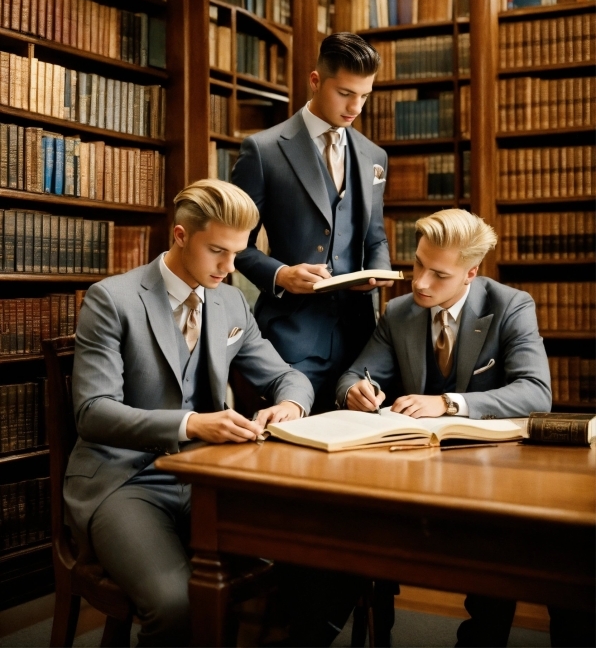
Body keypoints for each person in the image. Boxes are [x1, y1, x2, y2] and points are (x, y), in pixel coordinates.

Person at [63, 179, 314, 647]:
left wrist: (289, 405)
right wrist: (192, 423)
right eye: (218, 250)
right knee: (177, 604)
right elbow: (94, 413)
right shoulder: (112, 299)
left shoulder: (231, 300)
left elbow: (288, 376)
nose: (230, 267)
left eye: (238, 253)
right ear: (180, 235)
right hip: (124, 481)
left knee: (311, 565)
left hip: (210, 478)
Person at [336, 208, 552, 648]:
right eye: (417, 263)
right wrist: (355, 390)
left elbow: (535, 393)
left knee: (493, 555)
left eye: (439, 274)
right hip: (411, 470)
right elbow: (352, 375)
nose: (419, 282)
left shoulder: (510, 305)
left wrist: (447, 403)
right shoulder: (398, 312)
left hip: (492, 473)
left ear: (471, 272)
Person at [232, 32, 393, 414]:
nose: (356, 106)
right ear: (316, 80)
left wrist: (380, 270)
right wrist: (282, 275)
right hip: (290, 339)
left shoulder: (374, 155)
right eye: (345, 93)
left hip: (359, 342)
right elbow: (236, 246)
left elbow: (375, 237)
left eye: (365, 95)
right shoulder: (264, 150)